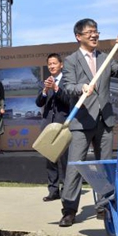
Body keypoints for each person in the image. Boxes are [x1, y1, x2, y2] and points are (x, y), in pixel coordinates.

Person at [58, 19, 118, 227]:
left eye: (96, 31)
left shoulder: (105, 57)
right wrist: (80, 88)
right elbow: (67, 86)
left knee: (105, 166)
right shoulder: (71, 60)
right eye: (90, 32)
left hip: (105, 119)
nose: (94, 35)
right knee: (75, 166)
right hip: (81, 122)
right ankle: (69, 209)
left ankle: (104, 206)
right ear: (79, 36)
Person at [35, 53, 71, 201]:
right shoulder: (44, 83)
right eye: (49, 64)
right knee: (50, 159)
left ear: (61, 65)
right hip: (48, 126)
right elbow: (39, 103)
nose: (51, 66)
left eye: (54, 63)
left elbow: (69, 101)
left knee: (65, 159)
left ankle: (67, 190)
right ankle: (53, 190)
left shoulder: (67, 81)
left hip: (63, 125)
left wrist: (56, 88)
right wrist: (45, 90)